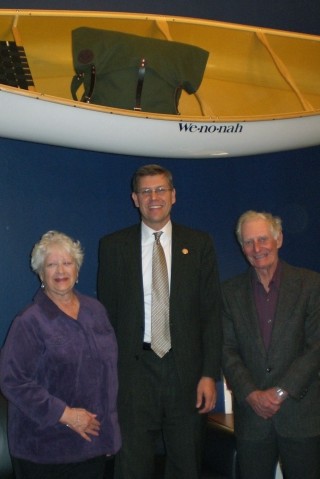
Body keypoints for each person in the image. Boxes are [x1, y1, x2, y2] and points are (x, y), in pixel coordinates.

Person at [97, 164, 222, 479]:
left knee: (186, 464)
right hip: (134, 374)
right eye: (146, 191)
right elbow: (105, 319)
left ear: (174, 195)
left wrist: (209, 374)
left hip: (186, 374)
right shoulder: (112, 247)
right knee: (132, 467)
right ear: (135, 199)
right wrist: (109, 380)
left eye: (161, 190)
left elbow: (211, 314)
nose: (154, 197)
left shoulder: (200, 244)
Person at [0, 231, 121, 479]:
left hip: (93, 446)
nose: (60, 271)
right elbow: (12, 381)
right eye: (51, 265)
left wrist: (110, 435)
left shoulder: (96, 311)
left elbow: (108, 376)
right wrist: (64, 414)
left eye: (67, 263)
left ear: (77, 269)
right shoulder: (29, 321)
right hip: (46, 450)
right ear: (41, 274)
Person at [222, 210, 320, 479]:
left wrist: (280, 392)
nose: (257, 248)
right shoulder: (229, 293)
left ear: (279, 239)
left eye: (263, 239)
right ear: (242, 248)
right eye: (249, 242)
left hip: (300, 417)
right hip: (252, 419)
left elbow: (316, 348)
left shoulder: (311, 285)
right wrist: (252, 394)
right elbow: (226, 350)